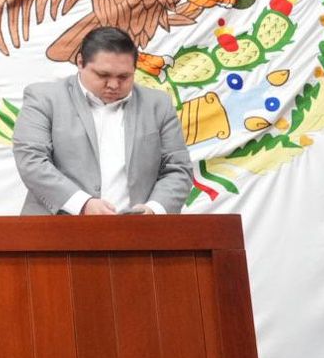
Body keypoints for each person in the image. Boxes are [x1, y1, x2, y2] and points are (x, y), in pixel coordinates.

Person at [12, 25, 193, 215]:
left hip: (138, 235)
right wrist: (83, 204)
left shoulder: (158, 104)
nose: (114, 85)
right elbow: (31, 161)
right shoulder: (44, 98)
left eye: (124, 76)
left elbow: (178, 169)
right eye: (103, 75)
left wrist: (154, 210)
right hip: (56, 233)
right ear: (80, 62)